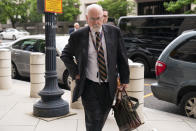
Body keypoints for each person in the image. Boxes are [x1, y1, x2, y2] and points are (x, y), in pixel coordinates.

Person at [61, 4, 129, 131]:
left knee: (102, 116)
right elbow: (65, 55)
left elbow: (122, 56)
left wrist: (125, 79)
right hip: (89, 85)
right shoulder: (78, 36)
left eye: (99, 18)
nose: (96, 22)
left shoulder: (114, 32)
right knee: (93, 119)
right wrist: (75, 73)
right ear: (87, 18)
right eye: (92, 19)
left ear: (103, 17)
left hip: (109, 85)